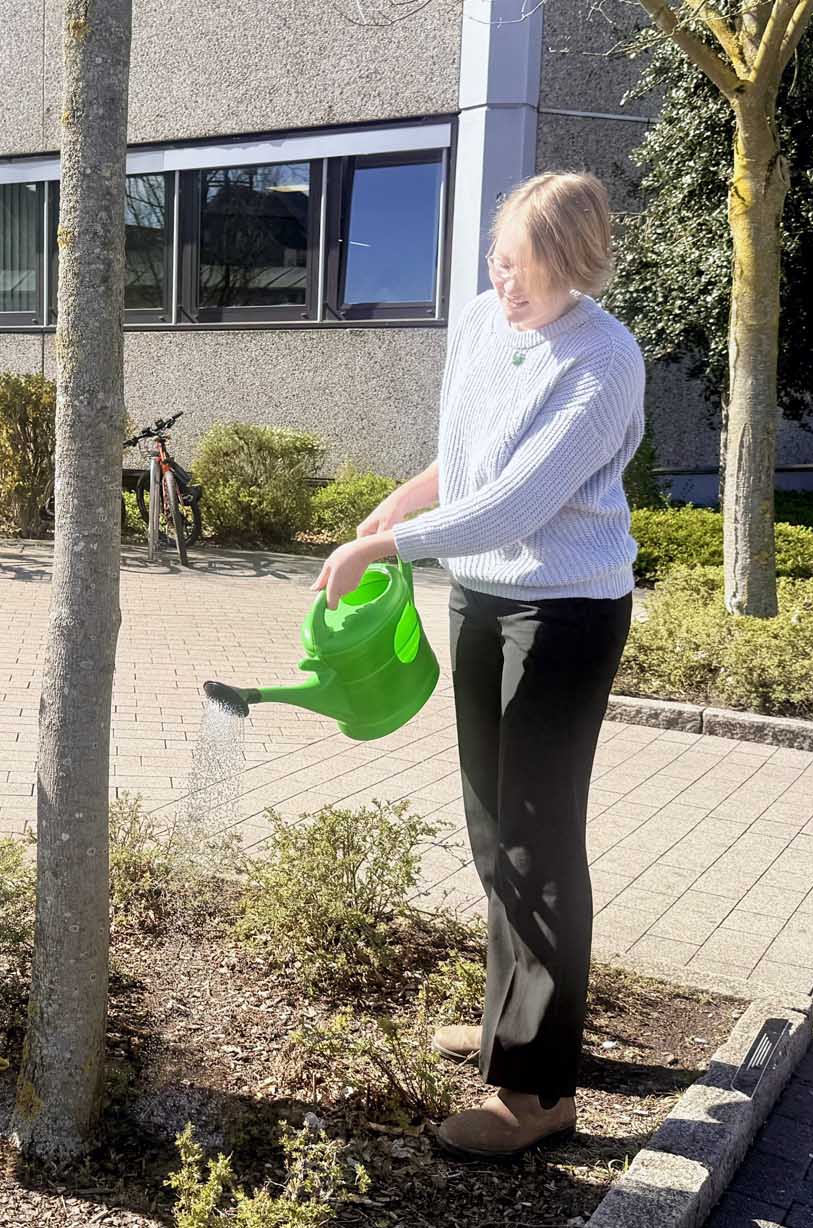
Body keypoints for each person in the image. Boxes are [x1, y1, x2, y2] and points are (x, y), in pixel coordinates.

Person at [313, 171, 645, 1158]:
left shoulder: (604, 357)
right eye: (502, 264)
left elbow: (518, 503)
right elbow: (469, 462)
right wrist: (406, 499)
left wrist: (383, 549)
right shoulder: (479, 320)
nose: (510, 289)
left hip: (566, 610)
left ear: (577, 271)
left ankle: (539, 1095)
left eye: (533, 277)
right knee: (495, 829)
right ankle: (518, 1019)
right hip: (483, 596)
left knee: (538, 843)